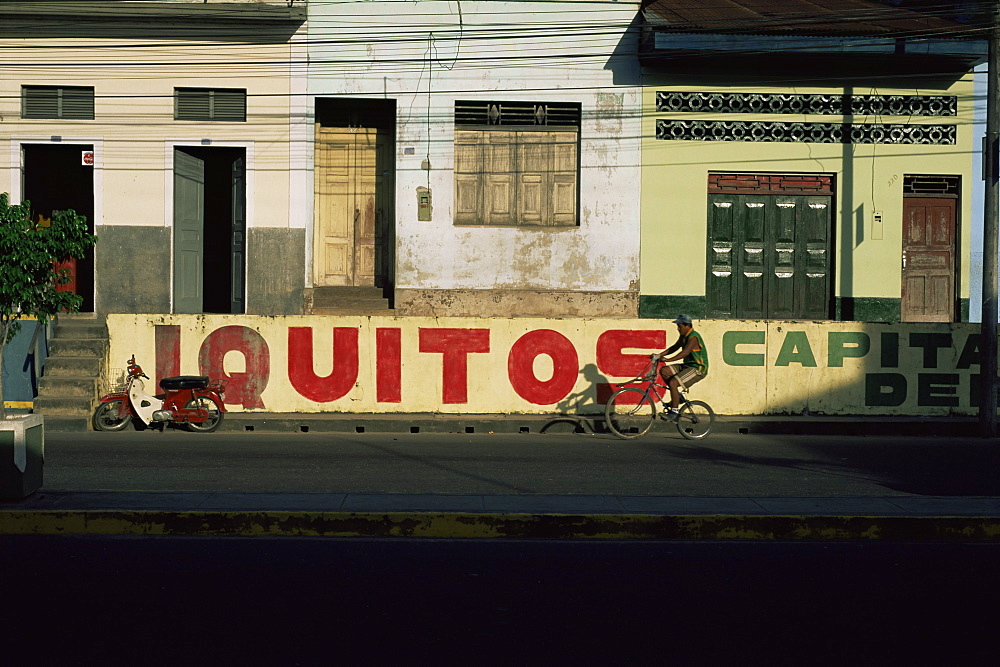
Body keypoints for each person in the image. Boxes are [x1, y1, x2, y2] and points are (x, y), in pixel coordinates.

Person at [656, 314, 709, 421]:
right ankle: (678, 397)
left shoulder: (693, 337)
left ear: (687, 325)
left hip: (698, 368)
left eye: (680, 326)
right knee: (664, 371)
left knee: (673, 383)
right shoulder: (684, 336)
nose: (678, 328)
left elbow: (685, 352)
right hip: (687, 366)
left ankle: (674, 413)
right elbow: (674, 348)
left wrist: (668, 360)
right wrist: (659, 355)